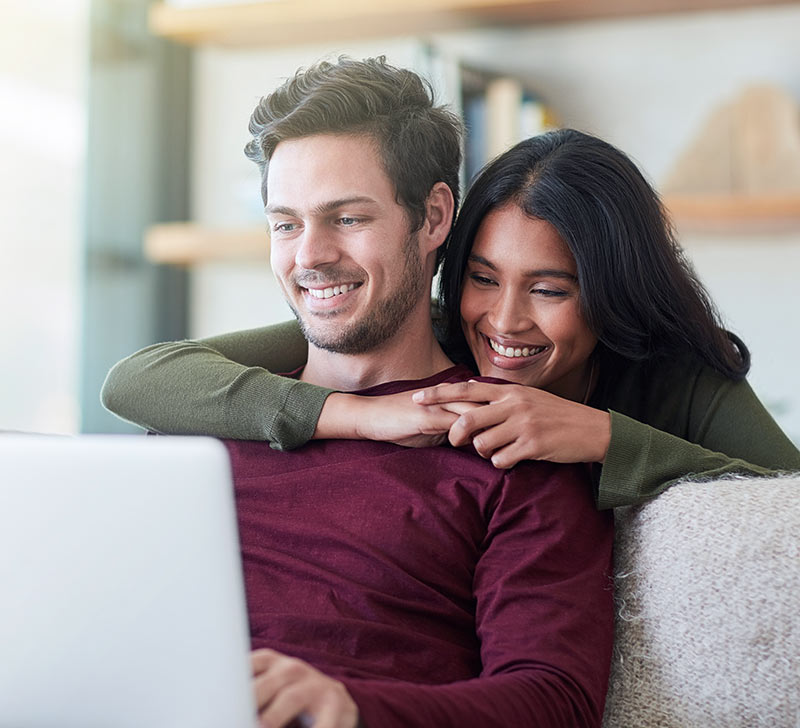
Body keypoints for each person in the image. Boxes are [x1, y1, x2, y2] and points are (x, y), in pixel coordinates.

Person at [2, 58, 615, 728]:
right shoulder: (202, 424)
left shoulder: (509, 442)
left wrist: (352, 704)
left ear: (432, 218)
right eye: (285, 224)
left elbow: (553, 721)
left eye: (347, 218)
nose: (310, 255)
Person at [101, 133, 800, 510]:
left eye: (549, 290)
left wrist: (603, 437)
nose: (503, 321)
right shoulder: (428, 331)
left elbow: (785, 508)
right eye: (483, 278)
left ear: (613, 292)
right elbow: (142, 381)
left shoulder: (678, 378)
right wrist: (358, 414)